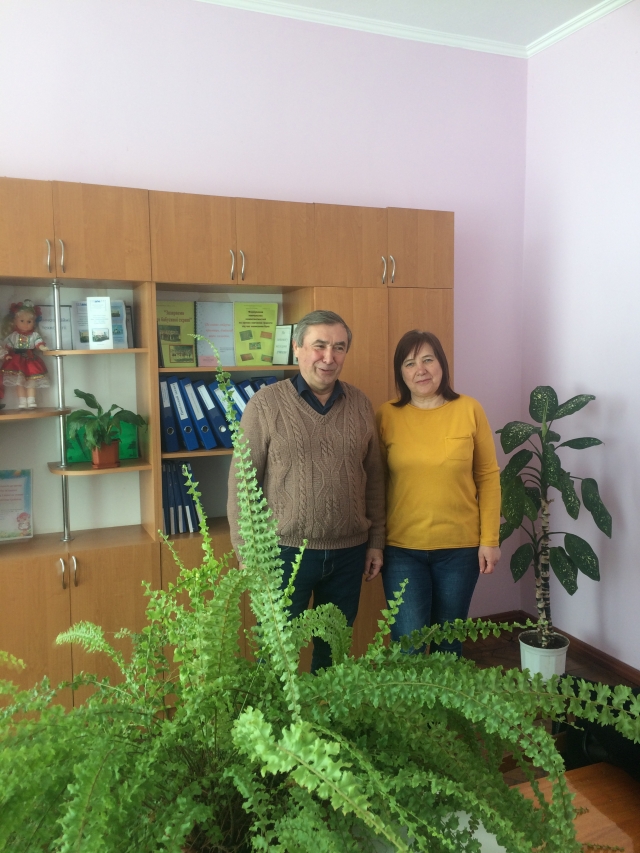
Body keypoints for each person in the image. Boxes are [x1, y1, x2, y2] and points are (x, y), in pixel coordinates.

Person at [228, 310, 385, 672]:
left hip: (349, 555)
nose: (329, 357)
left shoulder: (360, 404)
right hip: (281, 554)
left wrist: (376, 541)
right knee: (276, 658)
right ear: (297, 348)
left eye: (339, 347)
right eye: (319, 346)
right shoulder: (265, 405)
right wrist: (247, 552)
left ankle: (325, 712)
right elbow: (242, 484)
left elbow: (374, 479)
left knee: (333, 657)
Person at [376, 330, 501, 657]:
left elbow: (488, 477)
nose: (420, 370)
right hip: (401, 550)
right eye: (409, 363)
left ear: (442, 364)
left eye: (428, 359)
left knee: (449, 644)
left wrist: (490, 539)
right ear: (400, 373)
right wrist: (374, 542)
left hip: (459, 550)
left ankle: (445, 695)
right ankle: (409, 697)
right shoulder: (386, 415)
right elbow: (375, 484)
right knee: (408, 648)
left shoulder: (469, 409)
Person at [1, 299, 49, 408]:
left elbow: (38, 343)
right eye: (22, 321)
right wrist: (6, 355)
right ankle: (22, 401)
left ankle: (31, 400)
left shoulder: (34, 335)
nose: (25, 324)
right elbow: (8, 346)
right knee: (19, 383)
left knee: (31, 382)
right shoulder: (14, 335)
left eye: (29, 321)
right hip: (16, 361)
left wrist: (42, 347)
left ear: (34, 322)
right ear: (15, 321)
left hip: (31, 360)